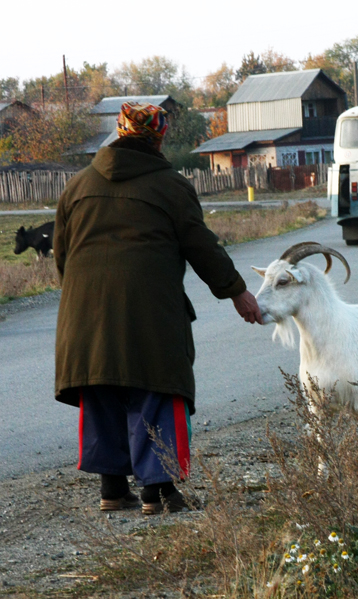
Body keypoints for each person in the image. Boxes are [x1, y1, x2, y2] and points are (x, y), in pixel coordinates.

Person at [54, 102, 263, 515]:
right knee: (157, 389)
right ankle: (158, 493)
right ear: (159, 137)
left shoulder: (77, 184)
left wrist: (84, 300)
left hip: (83, 311)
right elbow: (200, 245)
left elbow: (62, 254)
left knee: (103, 387)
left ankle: (112, 491)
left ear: (118, 132)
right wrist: (237, 292)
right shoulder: (170, 184)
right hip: (149, 310)